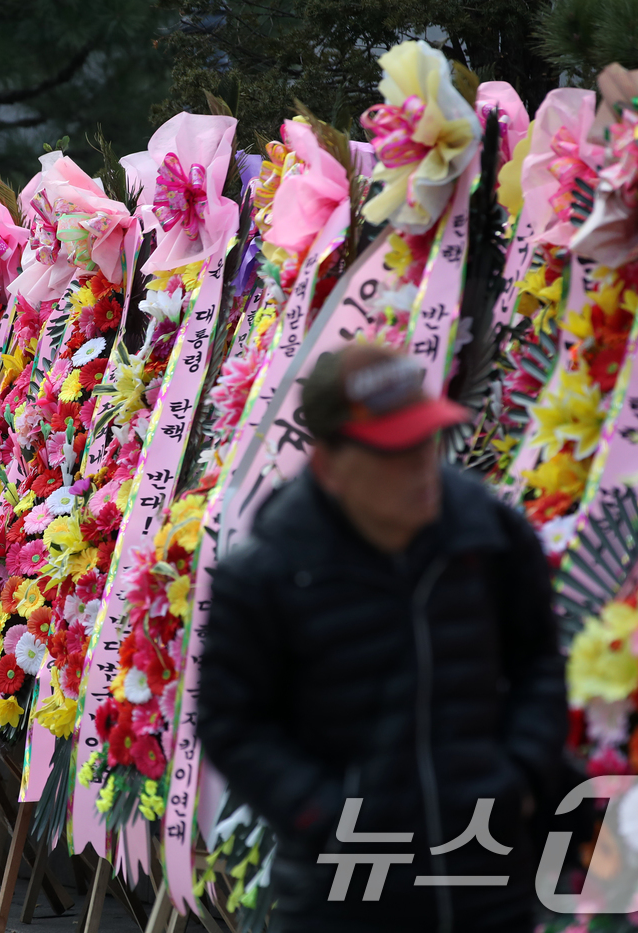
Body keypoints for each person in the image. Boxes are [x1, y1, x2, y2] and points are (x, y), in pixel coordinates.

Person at [201, 344, 568, 933]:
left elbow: (538, 664)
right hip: (346, 895)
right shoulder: (268, 574)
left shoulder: (487, 534)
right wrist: (326, 815)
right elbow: (231, 722)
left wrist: (519, 776)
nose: (423, 468)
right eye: (394, 452)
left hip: (486, 875)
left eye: (426, 441)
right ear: (330, 466)